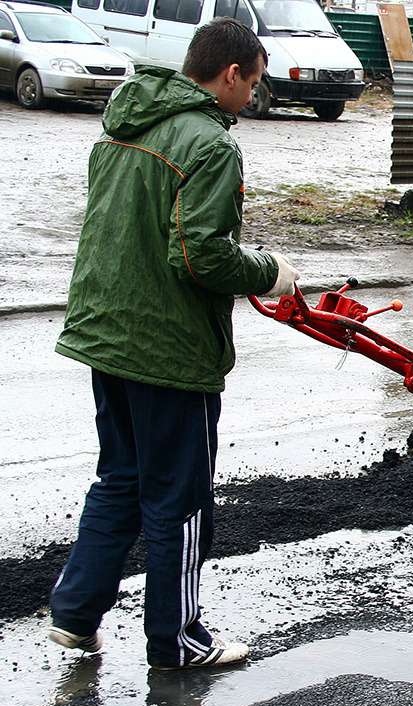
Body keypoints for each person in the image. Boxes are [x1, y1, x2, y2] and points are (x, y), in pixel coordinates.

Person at [48, 18, 299, 670]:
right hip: (169, 350)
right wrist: (268, 271)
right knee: (180, 502)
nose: (252, 98)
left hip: (108, 338)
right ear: (230, 75)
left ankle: (75, 616)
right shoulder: (211, 146)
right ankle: (177, 640)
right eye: (254, 84)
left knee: (121, 480)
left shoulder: (123, 127)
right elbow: (199, 255)